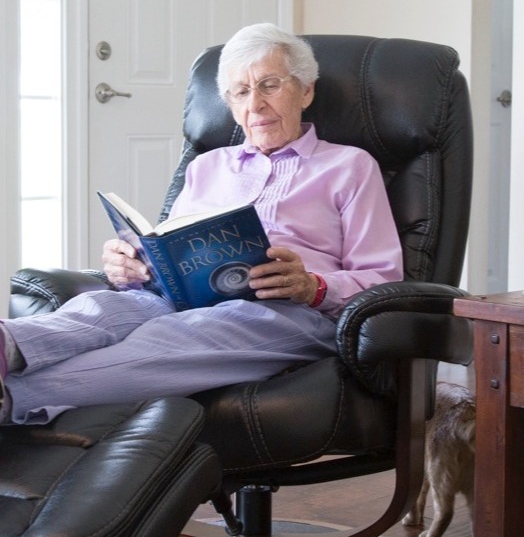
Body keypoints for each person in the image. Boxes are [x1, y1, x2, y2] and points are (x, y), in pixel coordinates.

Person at [0, 23, 403, 426]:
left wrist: (312, 286)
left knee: (169, 340)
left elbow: (383, 279)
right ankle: (8, 345)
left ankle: (13, 397)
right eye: (241, 93)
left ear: (306, 90)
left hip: (285, 311)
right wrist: (131, 266)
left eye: (270, 85)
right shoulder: (207, 166)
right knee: (101, 307)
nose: (256, 105)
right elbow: (172, 251)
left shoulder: (349, 166)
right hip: (176, 301)